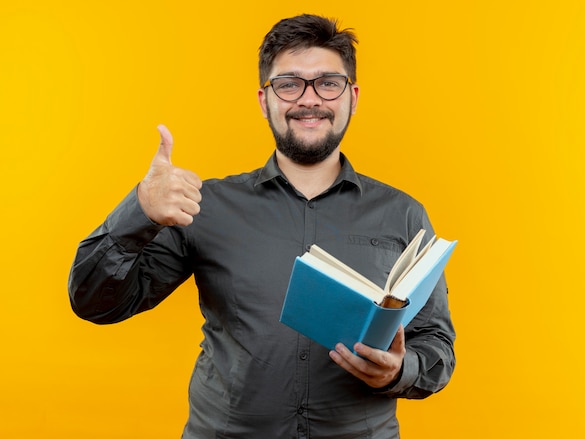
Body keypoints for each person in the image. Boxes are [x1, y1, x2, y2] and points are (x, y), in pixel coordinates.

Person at [68, 14, 455, 439]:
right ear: (264, 99)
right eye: (289, 84)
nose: (310, 99)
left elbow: (436, 345)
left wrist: (400, 371)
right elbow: (94, 303)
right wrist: (138, 210)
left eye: (328, 82)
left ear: (353, 96)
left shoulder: (403, 214)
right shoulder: (203, 206)